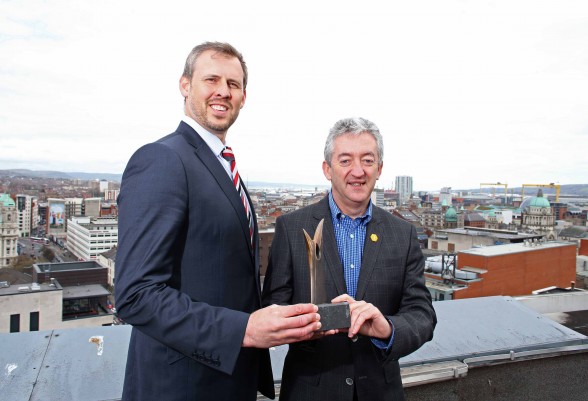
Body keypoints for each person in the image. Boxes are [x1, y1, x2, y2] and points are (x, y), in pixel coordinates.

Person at [115, 42, 323, 401]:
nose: (223, 91)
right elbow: (136, 295)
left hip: (227, 381)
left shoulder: (224, 167)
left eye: (234, 84)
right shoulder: (163, 159)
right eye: (211, 79)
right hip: (180, 387)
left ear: (244, 96)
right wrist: (243, 330)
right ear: (185, 85)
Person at [262, 117, 437, 401]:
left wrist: (387, 329)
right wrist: (305, 325)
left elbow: (422, 315)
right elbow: (272, 308)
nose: (358, 171)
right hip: (311, 391)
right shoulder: (292, 228)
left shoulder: (402, 234)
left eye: (367, 161)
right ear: (327, 169)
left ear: (379, 169)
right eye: (345, 161)